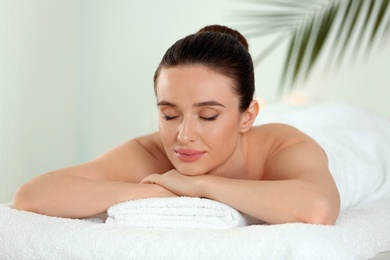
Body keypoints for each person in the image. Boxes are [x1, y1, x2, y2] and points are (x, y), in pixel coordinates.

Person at [13, 25, 340, 225]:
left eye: (208, 116)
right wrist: (156, 192)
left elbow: (318, 208)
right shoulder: (149, 152)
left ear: (247, 116)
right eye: (169, 115)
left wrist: (200, 187)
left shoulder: (281, 146)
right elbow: (33, 195)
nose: (183, 136)